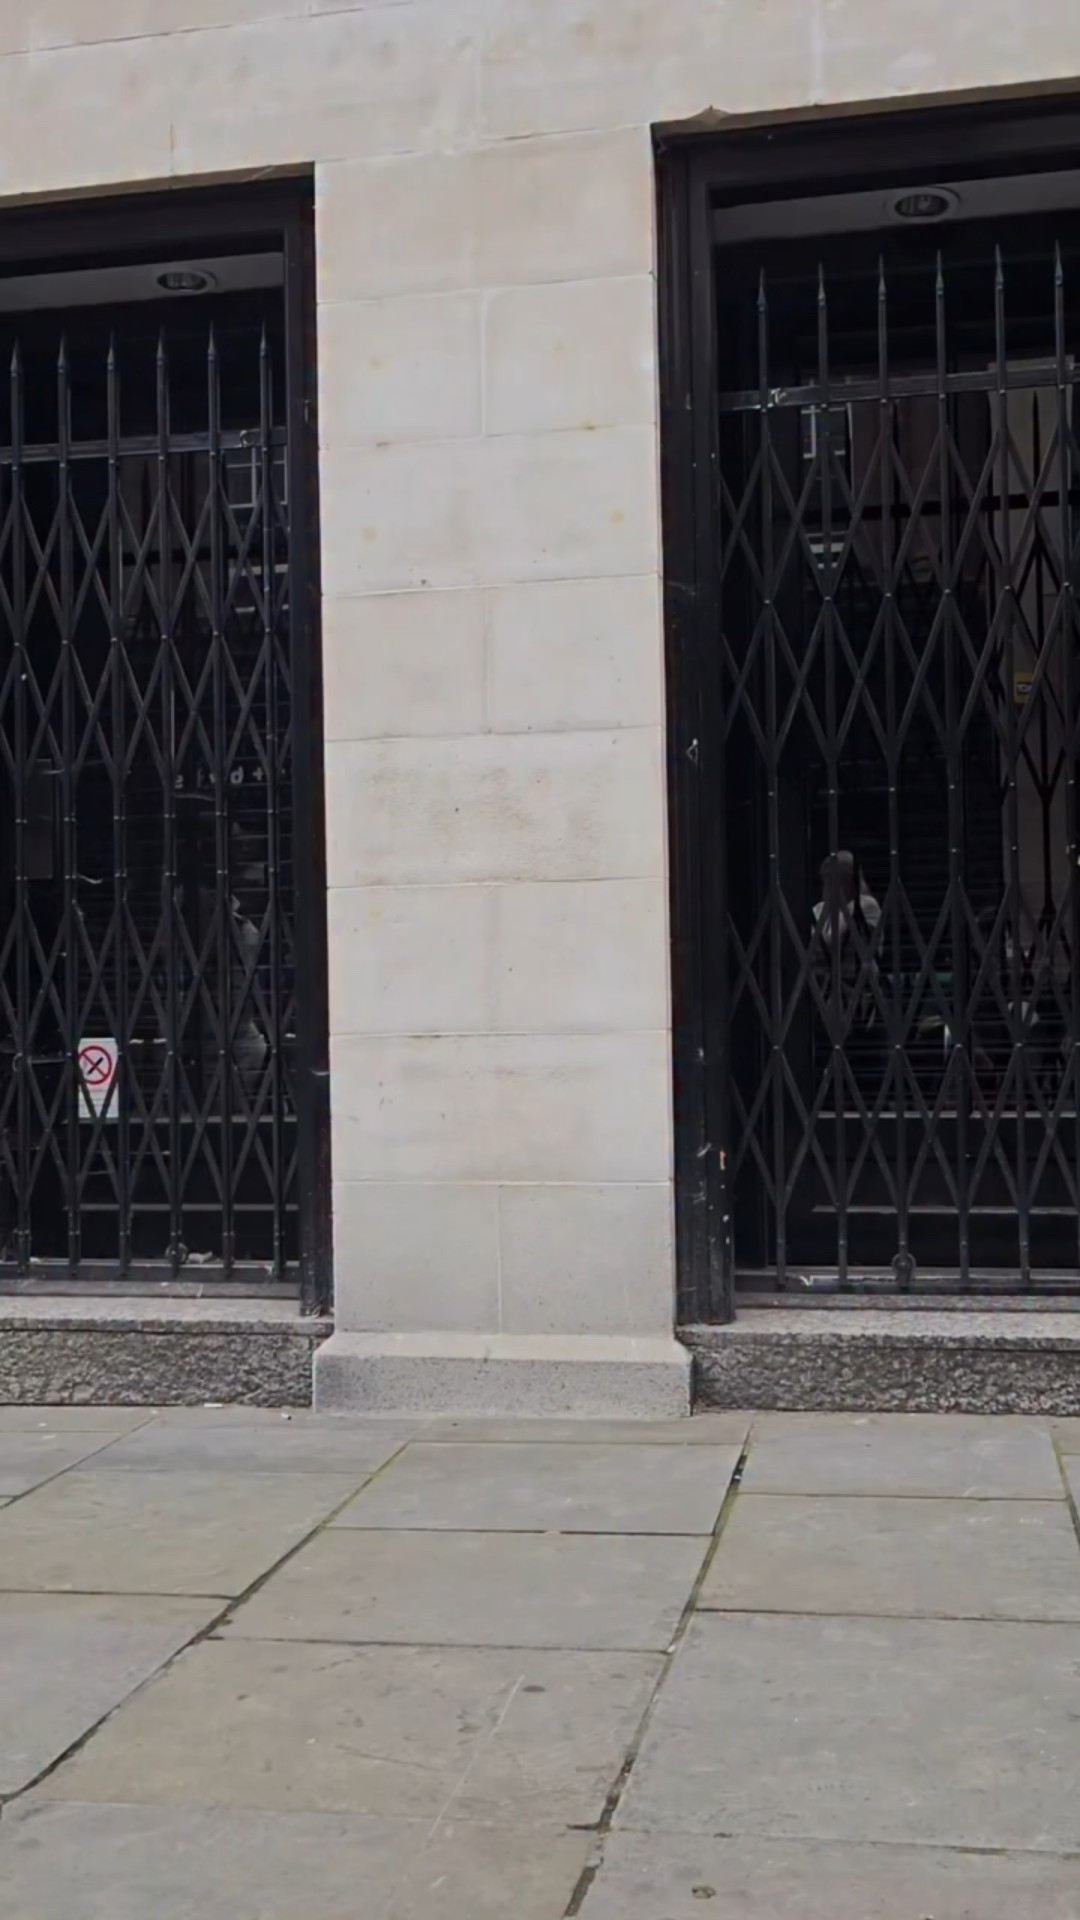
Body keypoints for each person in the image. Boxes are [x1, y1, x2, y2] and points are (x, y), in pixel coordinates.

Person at [811, 851, 881, 1026]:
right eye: (825, 879)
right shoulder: (820, 908)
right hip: (823, 992)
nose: (828, 885)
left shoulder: (866, 905)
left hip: (855, 994)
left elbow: (830, 939)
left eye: (835, 879)